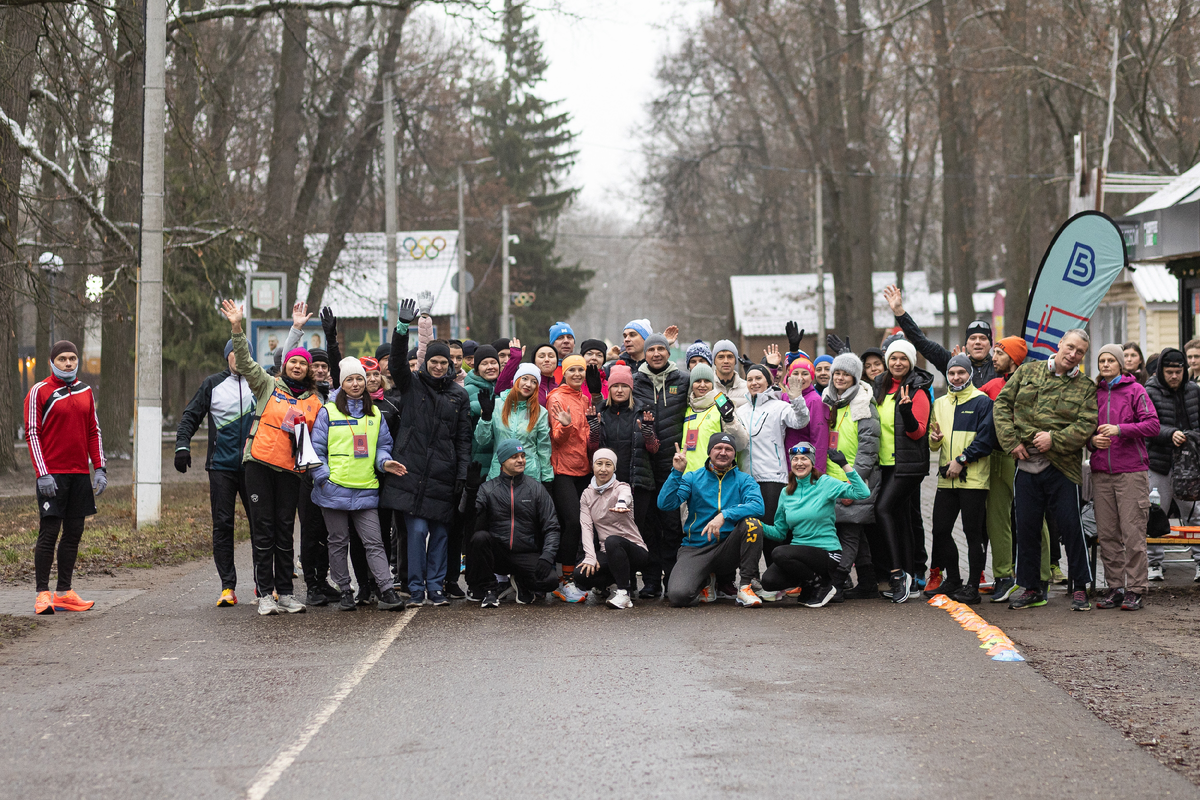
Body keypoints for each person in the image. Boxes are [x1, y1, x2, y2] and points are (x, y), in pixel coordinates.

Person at [222, 300, 322, 615]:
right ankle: (265, 594)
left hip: (291, 471)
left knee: (283, 530)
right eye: (292, 362)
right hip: (259, 466)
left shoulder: (315, 401)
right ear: (284, 366)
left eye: (302, 364)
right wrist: (237, 327)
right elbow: (248, 363)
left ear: (308, 370)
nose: (297, 366)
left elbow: (318, 439)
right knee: (262, 530)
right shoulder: (268, 386)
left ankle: (287, 593)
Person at [994, 328, 1098, 611]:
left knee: (1071, 528)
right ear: (1060, 343)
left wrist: (1055, 439)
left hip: (1062, 467)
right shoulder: (1028, 372)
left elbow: (1086, 425)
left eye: (1080, 352)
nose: (1073, 355)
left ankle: (1079, 587)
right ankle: (1032, 588)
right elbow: (1002, 404)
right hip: (1026, 463)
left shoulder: (1086, 387)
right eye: (1071, 347)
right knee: (1026, 528)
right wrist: (1011, 441)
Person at [382, 299, 472, 606]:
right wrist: (401, 328)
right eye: (433, 361)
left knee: (441, 535)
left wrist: (461, 475)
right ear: (426, 362)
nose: (437, 366)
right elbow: (395, 364)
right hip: (411, 472)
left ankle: (436, 587)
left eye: (443, 362)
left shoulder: (458, 395)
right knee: (416, 532)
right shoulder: (412, 384)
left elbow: (463, 439)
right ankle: (416, 587)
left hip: (443, 476)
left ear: (450, 365)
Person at [310, 358, 408, 612]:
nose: (355, 384)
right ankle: (345, 590)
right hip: (333, 489)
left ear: (366, 383)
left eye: (359, 379)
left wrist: (384, 463)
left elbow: (383, 446)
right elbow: (316, 450)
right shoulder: (328, 411)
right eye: (350, 379)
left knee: (374, 541)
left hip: (365, 487)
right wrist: (323, 478)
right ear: (342, 383)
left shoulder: (374, 413)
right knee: (338, 541)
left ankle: (386, 590)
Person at [25, 340, 107, 615]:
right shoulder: (39, 391)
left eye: (72, 358)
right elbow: (32, 433)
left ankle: (64, 592)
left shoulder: (85, 391)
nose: (69, 363)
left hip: (79, 474)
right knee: (49, 533)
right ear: (52, 362)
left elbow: (93, 431)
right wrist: (42, 473)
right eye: (62, 359)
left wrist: (100, 468)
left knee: (74, 533)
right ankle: (42, 594)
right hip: (52, 475)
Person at [175, 338, 257, 607]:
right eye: (234, 353)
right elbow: (190, 415)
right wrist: (182, 445)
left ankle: (263, 584)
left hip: (254, 465)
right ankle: (227, 587)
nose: (238, 357)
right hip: (221, 466)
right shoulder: (212, 383)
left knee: (261, 526)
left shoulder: (259, 383)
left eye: (243, 353)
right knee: (223, 526)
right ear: (227, 357)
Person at [1088, 344, 1159, 611]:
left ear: (1121, 364)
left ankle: (1136, 589)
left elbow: (1152, 425)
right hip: (1101, 472)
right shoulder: (1093, 393)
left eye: (1110, 360)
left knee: (1132, 534)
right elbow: (1085, 431)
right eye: (1101, 360)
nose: (1105, 365)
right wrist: (1093, 441)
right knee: (1107, 534)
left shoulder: (1135, 390)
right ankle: (1115, 587)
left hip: (1131, 471)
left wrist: (1120, 429)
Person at [658, 433, 766, 607]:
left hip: (728, 548)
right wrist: (677, 472)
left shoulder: (744, 479)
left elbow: (758, 507)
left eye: (729, 449)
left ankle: (746, 586)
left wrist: (725, 515)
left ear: (734, 454)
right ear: (709, 452)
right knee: (679, 596)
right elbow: (665, 504)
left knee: (752, 524)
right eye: (718, 448)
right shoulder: (692, 478)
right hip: (696, 548)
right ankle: (706, 580)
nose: (723, 452)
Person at [926, 354, 997, 604]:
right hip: (947, 479)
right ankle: (953, 579)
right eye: (952, 373)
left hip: (973, 480)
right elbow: (934, 445)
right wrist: (934, 442)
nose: (956, 377)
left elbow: (986, 440)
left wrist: (962, 459)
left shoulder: (982, 402)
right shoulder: (941, 403)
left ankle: (972, 587)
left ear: (969, 374)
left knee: (972, 533)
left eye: (961, 373)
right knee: (941, 530)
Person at [762, 444, 869, 607]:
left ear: (812, 462)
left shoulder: (825, 483)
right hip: (800, 554)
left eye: (804, 459)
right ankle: (810, 583)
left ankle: (822, 585)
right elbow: (779, 532)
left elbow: (862, 493)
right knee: (769, 581)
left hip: (826, 553)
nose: (799, 463)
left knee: (779, 552)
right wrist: (757, 525)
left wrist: (845, 466)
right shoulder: (786, 492)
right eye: (795, 459)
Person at [872, 337, 933, 603]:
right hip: (883, 463)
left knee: (882, 509)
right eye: (894, 358)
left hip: (907, 465)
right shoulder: (880, 386)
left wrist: (907, 412)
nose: (898, 363)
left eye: (903, 358)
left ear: (911, 362)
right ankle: (911, 576)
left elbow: (918, 431)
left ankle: (897, 575)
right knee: (902, 518)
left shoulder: (917, 389)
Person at [736, 362, 810, 578]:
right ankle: (754, 580)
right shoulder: (741, 410)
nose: (754, 383)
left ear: (768, 382)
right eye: (750, 379)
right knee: (751, 530)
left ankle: (780, 578)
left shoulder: (779, 407)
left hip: (773, 478)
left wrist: (796, 398)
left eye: (759, 378)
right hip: (747, 478)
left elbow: (800, 421)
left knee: (772, 531)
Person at [467, 439, 561, 607]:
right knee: (480, 538)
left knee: (550, 581)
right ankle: (490, 589)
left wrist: (547, 556)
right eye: (514, 457)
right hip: (498, 553)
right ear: (502, 462)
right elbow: (467, 517)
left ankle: (521, 580)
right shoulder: (488, 488)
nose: (521, 460)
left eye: (523, 456)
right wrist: (471, 491)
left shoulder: (536, 488)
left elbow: (552, 526)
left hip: (525, 552)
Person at [633, 333, 690, 594]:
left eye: (661, 349)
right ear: (644, 354)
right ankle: (652, 580)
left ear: (669, 352)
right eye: (651, 349)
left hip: (673, 465)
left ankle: (673, 579)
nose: (656, 353)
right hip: (644, 466)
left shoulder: (683, 380)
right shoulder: (636, 382)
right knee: (648, 526)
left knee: (672, 526)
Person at [821, 353, 881, 600]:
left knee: (848, 534)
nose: (840, 378)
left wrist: (853, 482)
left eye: (846, 374)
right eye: (837, 373)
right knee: (853, 530)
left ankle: (836, 583)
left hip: (853, 480)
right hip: (830, 479)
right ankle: (867, 582)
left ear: (855, 377)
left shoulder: (864, 404)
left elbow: (869, 448)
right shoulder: (827, 401)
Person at [586, 363, 659, 554]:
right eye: (615, 386)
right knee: (610, 531)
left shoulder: (644, 412)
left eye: (624, 386)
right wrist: (594, 429)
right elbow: (593, 450)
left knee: (638, 531)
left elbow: (654, 449)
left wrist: (649, 433)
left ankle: (643, 577)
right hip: (608, 484)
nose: (620, 390)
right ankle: (618, 577)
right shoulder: (600, 412)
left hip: (638, 482)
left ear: (631, 388)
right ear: (609, 389)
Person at [978, 335, 1028, 602]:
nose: (993, 357)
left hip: (1025, 457)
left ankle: (1037, 576)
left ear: (1014, 358)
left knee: (1033, 517)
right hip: (995, 457)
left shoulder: (1030, 385)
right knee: (996, 519)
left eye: (999, 353)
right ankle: (1003, 576)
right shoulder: (991, 386)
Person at [1143, 348, 1200, 581]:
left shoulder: (1194, 391)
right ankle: (1154, 563)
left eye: (1178, 371)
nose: (1174, 376)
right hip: (1160, 463)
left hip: (1190, 464)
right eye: (1169, 372)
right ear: (1160, 371)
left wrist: (1191, 437)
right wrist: (1171, 434)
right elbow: (1147, 426)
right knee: (1155, 514)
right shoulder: (1149, 391)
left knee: (1195, 517)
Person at [573, 448, 651, 608]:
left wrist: (621, 503)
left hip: (634, 550)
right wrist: (590, 557)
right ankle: (611, 585)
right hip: (608, 552)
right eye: (599, 464)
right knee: (581, 574)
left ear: (614, 468)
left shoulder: (622, 487)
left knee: (613, 541)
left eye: (608, 464)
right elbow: (586, 528)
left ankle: (624, 593)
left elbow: (626, 496)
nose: (603, 469)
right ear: (592, 466)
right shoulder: (587, 495)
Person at [883, 283, 996, 388]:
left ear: (990, 344)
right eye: (973, 338)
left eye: (983, 338)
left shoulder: (999, 366)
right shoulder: (951, 361)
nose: (977, 342)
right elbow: (922, 342)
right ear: (966, 344)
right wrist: (899, 312)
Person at [547, 354, 592, 602]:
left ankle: (572, 575)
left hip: (584, 470)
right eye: (572, 370)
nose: (577, 374)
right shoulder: (556, 397)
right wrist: (564, 425)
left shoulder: (584, 399)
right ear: (563, 373)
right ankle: (563, 580)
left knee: (582, 525)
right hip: (563, 470)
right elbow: (557, 439)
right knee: (571, 523)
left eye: (581, 370)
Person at [477, 362, 553, 482]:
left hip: (529, 475)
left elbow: (544, 448)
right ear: (516, 380)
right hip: (499, 472)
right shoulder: (496, 405)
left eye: (534, 382)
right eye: (525, 378)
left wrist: (547, 478)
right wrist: (486, 417)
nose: (528, 384)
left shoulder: (540, 412)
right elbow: (482, 440)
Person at [681, 363, 749, 473]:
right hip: (688, 478)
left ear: (712, 384)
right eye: (698, 381)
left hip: (715, 476)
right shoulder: (687, 410)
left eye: (707, 381)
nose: (702, 385)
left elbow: (742, 443)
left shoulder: (721, 408)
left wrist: (729, 420)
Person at [782, 356, 829, 472]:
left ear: (812, 377)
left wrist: (817, 473)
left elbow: (819, 440)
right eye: (795, 373)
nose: (799, 378)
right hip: (786, 464)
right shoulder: (784, 397)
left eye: (805, 374)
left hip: (804, 466)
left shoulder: (815, 401)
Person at [712, 340, 750, 407]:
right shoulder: (707, 388)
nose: (726, 361)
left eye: (730, 357)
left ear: (735, 360)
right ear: (714, 361)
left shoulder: (747, 388)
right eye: (721, 357)